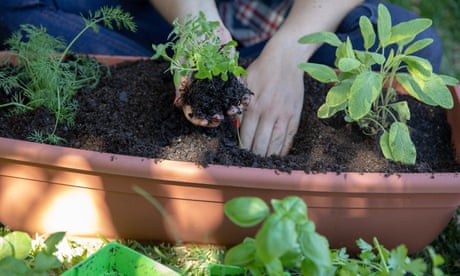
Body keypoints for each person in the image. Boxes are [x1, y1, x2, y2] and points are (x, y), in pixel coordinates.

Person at [0, 0, 443, 157]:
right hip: (168, 19)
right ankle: (156, 74)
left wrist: (288, 55)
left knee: (416, 48)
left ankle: (146, 73)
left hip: (289, 28)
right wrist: (199, 28)